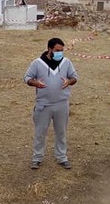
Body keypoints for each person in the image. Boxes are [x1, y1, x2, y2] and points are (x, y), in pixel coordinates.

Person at [24, 38, 78, 170]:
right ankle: (37, 158)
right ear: (49, 49)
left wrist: (69, 82)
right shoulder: (37, 63)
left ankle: (62, 157)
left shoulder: (66, 62)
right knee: (40, 132)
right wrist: (35, 83)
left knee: (61, 132)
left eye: (62, 51)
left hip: (61, 104)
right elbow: (27, 78)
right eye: (57, 51)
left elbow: (74, 77)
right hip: (43, 105)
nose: (60, 53)